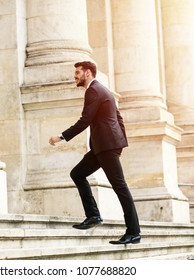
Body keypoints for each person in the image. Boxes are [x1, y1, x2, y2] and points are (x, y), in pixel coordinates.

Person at [49, 61, 141, 245]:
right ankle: (93, 216)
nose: (75, 76)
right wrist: (120, 143)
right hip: (104, 146)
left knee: (120, 187)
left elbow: (85, 121)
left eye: (77, 72)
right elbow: (118, 117)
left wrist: (61, 137)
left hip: (106, 147)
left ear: (88, 73)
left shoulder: (93, 91)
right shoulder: (104, 90)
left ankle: (134, 232)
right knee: (77, 173)